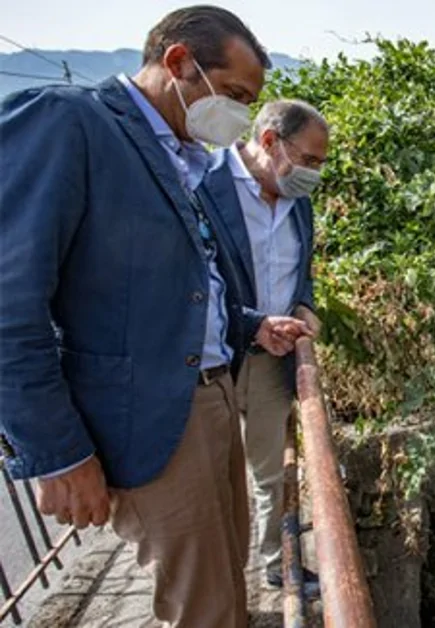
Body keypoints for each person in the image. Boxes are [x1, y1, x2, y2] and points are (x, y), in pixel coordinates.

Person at [0, 6, 310, 627]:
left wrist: (250, 325)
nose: (242, 117)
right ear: (178, 64)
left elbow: (178, 285)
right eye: (235, 95)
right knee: (207, 609)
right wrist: (57, 454)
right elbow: (9, 301)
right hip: (153, 416)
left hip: (209, 398)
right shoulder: (71, 124)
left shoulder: (177, 156)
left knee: (227, 588)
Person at [198, 99, 327, 597]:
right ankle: (219, 577)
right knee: (211, 476)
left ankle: (277, 563)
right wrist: (251, 324)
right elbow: (195, 280)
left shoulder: (300, 204)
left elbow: (302, 272)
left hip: (274, 362)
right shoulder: (203, 187)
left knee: (270, 471)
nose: (314, 174)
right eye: (310, 160)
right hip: (215, 360)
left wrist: (303, 305)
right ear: (270, 141)